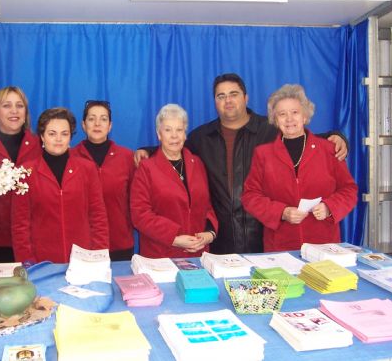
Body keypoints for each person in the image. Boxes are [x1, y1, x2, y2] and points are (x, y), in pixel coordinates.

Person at [135, 73, 348, 254]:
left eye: (233, 94)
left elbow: (301, 138)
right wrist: (148, 150)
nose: (228, 100)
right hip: (219, 239)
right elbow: (175, 147)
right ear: (215, 102)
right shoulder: (201, 137)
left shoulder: (270, 129)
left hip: (264, 234)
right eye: (221, 96)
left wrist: (337, 136)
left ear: (246, 98)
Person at [241, 84, 358, 251]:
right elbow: (250, 196)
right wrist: (281, 212)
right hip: (280, 246)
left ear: (305, 116)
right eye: (282, 114)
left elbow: (349, 190)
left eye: (295, 112)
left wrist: (329, 207)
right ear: (275, 119)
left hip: (324, 245)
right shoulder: (263, 154)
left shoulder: (329, 150)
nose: (289, 119)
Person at [11, 107, 109, 264]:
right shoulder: (25, 173)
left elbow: (98, 217)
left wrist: (98, 257)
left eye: (64, 134)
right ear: (42, 136)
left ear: (70, 137)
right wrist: (28, 263)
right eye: (52, 134)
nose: (58, 139)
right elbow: (20, 226)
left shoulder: (87, 169)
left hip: (82, 261)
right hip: (41, 263)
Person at [130, 104, 218, 258]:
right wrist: (175, 238)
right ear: (159, 134)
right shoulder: (146, 168)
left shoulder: (197, 163)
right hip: (160, 255)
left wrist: (209, 234)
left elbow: (208, 205)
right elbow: (140, 215)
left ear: (185, 134)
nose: (174, 136)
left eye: (179, 130)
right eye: (168, 130)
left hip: (197, 253)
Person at [0, 86, 41, 263]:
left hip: (34, 241)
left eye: (19, 106)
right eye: (7, 105)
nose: (14, 111)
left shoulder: (41, 147)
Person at [70, 100, 135, 261]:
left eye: (103, 119)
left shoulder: (126, 157)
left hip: (120, 243)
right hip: (81, 245)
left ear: (110, 125)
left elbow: (136, 201)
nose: (97, 123)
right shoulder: (70, 157)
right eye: (92, 119)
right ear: (83, 125)